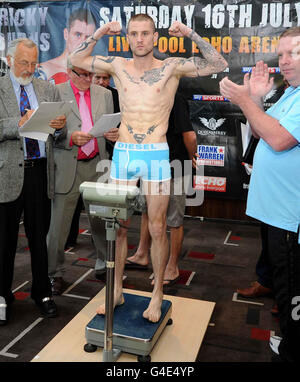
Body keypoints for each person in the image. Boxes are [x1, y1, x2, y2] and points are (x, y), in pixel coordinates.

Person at [69, 14, 227, 322]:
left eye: (145, 33)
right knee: (119, 226)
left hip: (156, 152)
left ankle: (157, 295)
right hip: (125, 153)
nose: (140, 39)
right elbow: (75, 57)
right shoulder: (117, 66)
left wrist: (189, 32)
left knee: (157, 227)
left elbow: (218, 63)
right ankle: (115, 290)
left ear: (155, 37)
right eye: (134, 34)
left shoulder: (170, 68)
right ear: (128, 38)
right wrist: (102, 30)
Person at [220, 27, 300, 362]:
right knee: (283, 287)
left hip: (290, 216)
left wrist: (242, 100)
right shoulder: (290, 91)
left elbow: (281, 139)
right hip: (275, 213)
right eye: (281, 54)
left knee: (293, 291)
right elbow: (260, 129)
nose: (284, 62)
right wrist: (254, 99)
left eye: (293, 53)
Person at [0, 38, 66, 325]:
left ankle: (43, 293)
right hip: (7, 174)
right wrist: (19, 123)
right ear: (9, 60)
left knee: (40, 237)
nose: (29, 69)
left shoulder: (46, 88)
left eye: (33, 63)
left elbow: (58, 136)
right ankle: (2, 296)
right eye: (24, 63)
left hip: (40, 171)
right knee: (4, 241)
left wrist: (60, 128)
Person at [46, 62, 118, 295]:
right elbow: (49, 133)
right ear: (69, 73)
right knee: (58, 227)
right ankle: (53, 273)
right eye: (83, 75)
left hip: (97, 165)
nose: (89, 79)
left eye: (91, 74)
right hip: (68, 166)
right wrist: (68, 139)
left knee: (101, 222)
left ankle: (103, 265)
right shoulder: (55, 92)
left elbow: (110, 129)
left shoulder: (105, 94)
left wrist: (114, 135)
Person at [125, 91, 197, 286]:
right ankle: (141, 254)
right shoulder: (148, 97)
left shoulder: (176, 96)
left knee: (173, 219)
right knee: (148, 211)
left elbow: (189, 135)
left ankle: (172, 267)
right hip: (151, 163)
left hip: (175, 165)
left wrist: (192, 157)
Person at [38, 9, 96, 84]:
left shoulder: (96, 74)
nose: (83, 42)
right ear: (66, 34)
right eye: (78, 34)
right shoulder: (45, 69)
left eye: (88, 37)